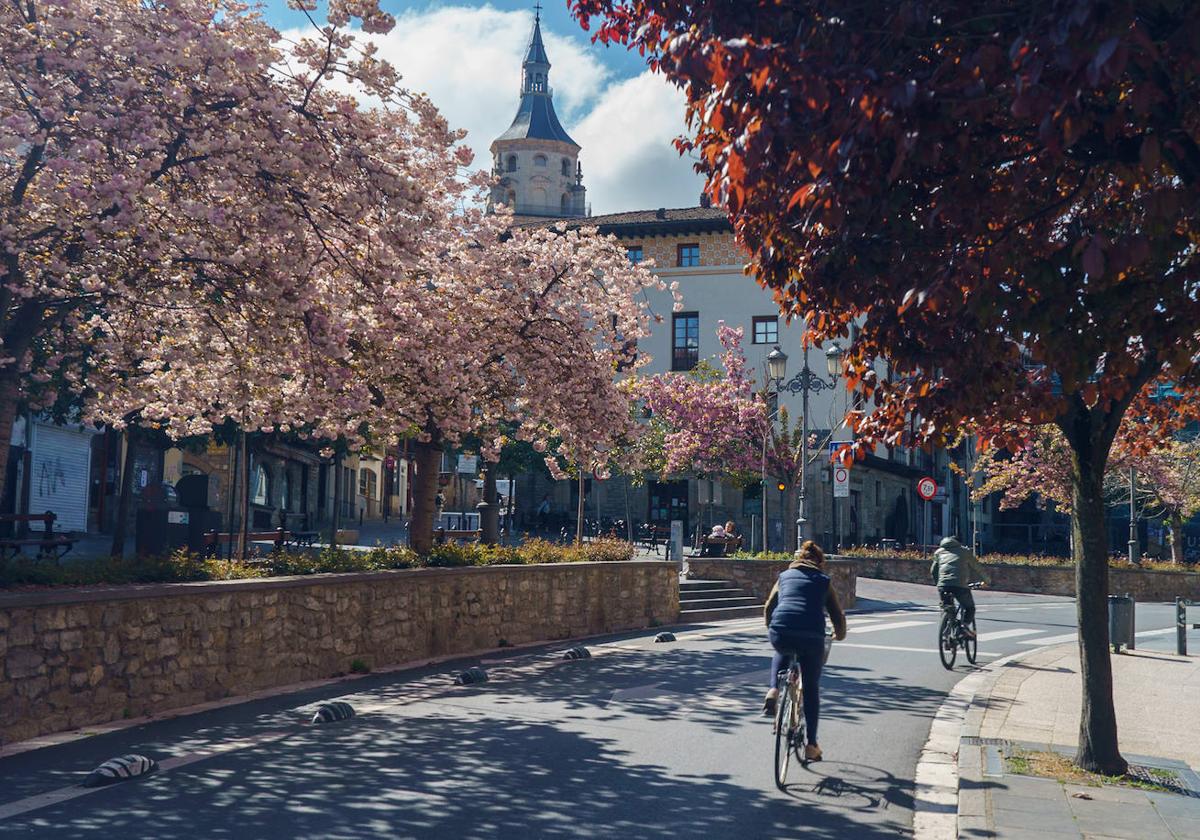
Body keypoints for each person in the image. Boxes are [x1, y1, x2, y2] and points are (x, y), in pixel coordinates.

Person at [762, 540, 847, 763]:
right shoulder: (823, 581)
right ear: (819, 563)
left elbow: (769, 606)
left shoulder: (784, 577)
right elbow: (837, 615)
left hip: (782, 630)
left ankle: (773, 689)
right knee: (810, 689)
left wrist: (772, 627)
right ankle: (811, 744)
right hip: (812, 636)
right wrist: (839, 634)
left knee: (783, 649)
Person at [931, 536, 988, 636]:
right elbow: (977, 567)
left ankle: (947, 628)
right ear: (958, 543)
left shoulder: (938, 552)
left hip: (943, 585)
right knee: (970, 608)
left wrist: (939, 583)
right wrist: (987, 580)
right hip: (960, 585)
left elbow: (933, 570)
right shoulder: (964, 551)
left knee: (947, 607)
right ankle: (964, 626)